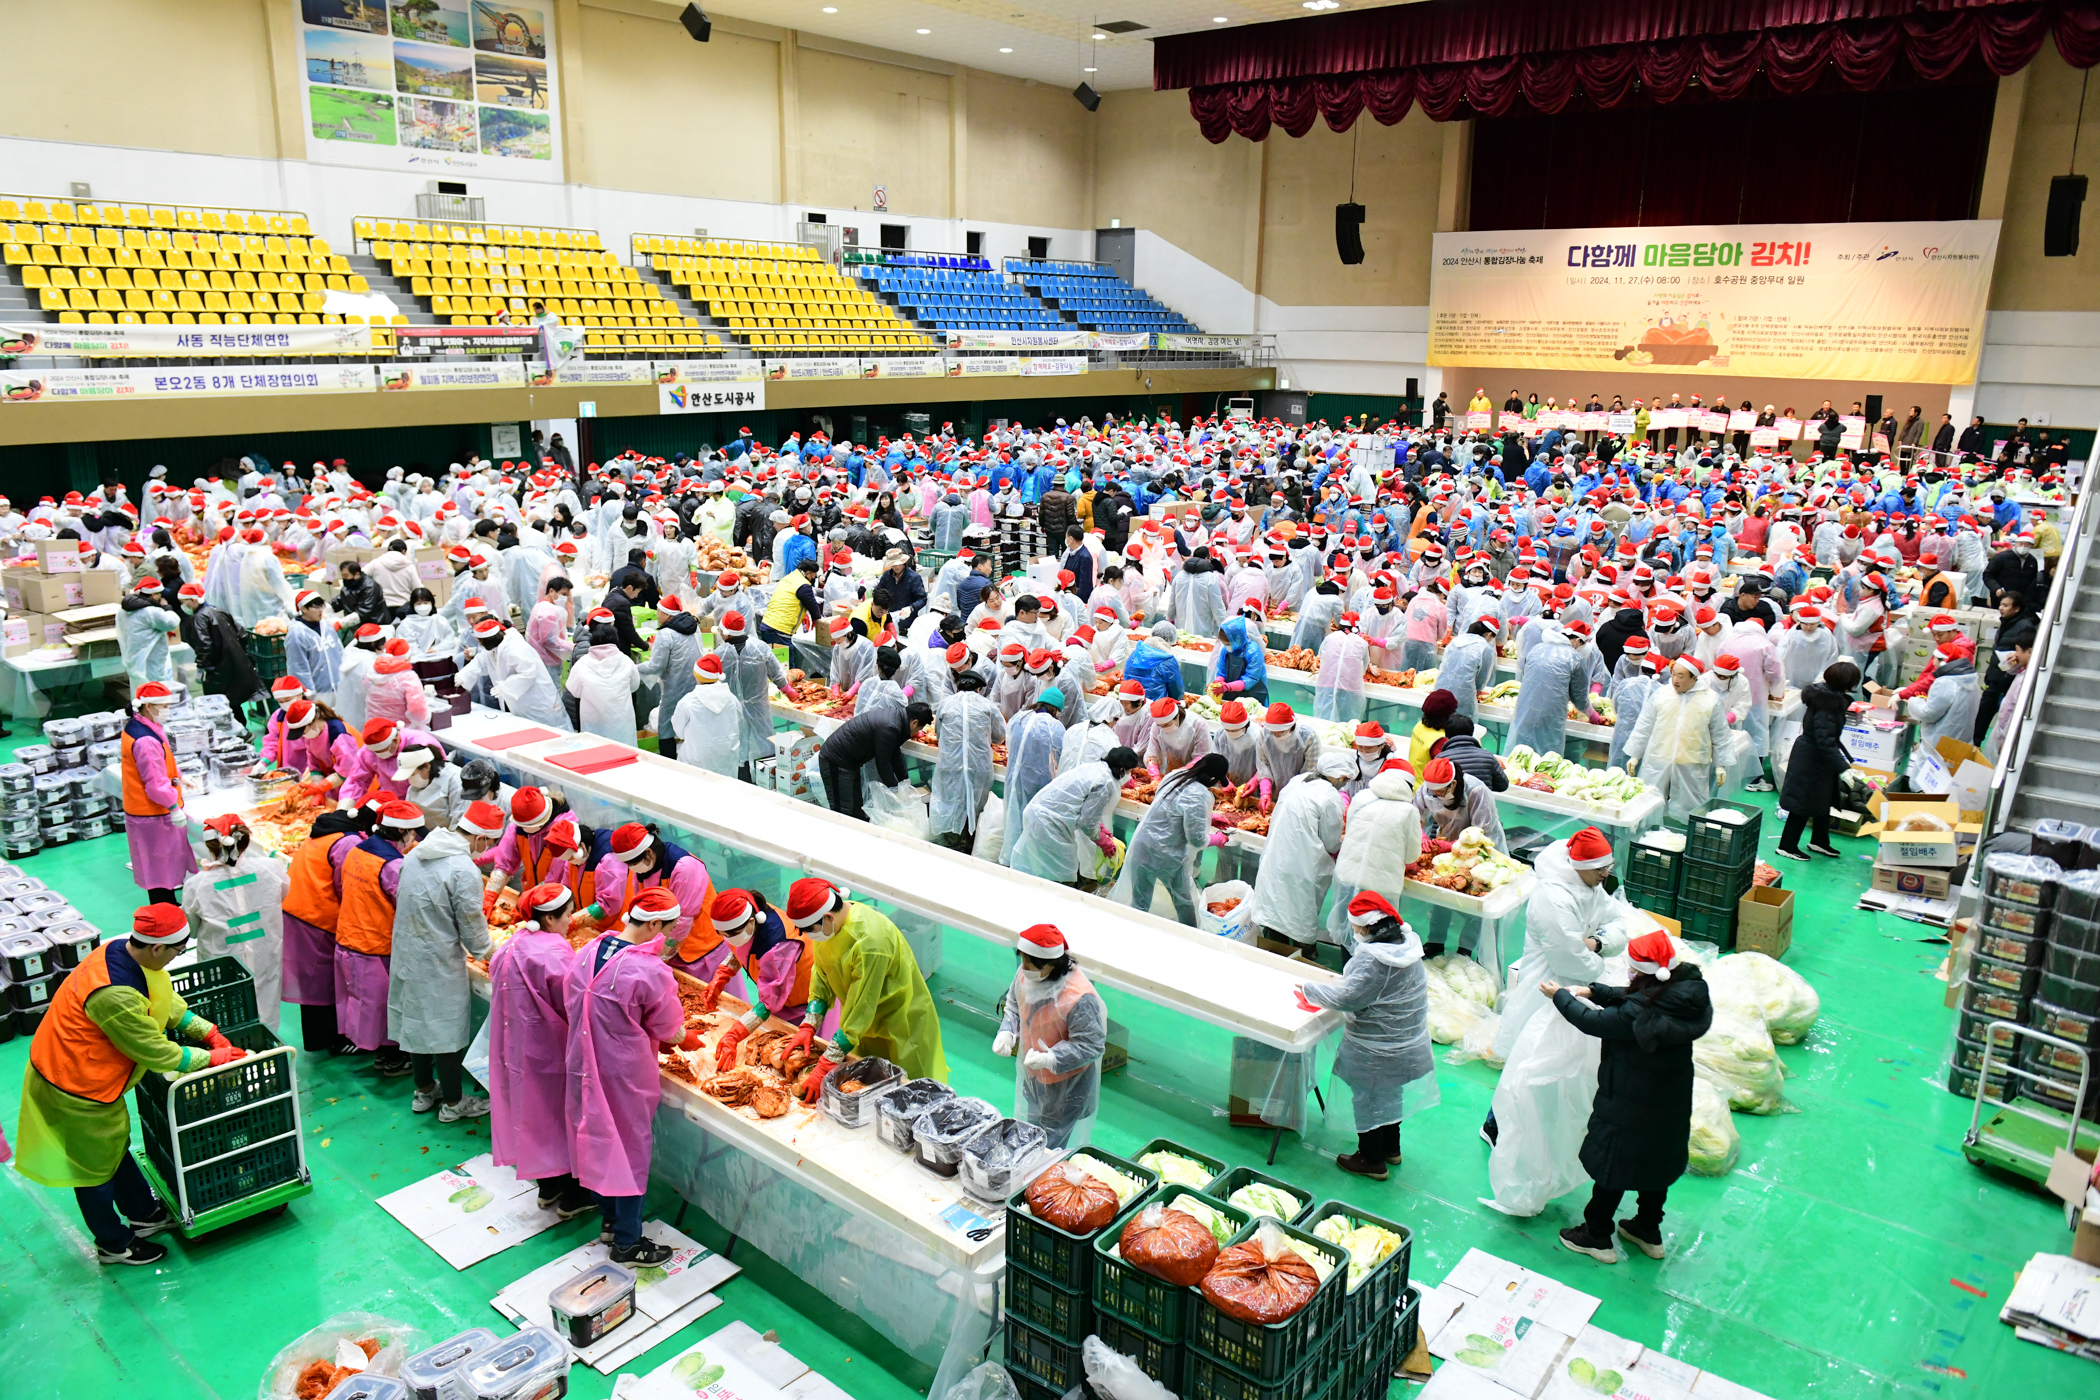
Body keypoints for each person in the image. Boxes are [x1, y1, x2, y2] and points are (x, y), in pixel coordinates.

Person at [14, 903, 247, 1266]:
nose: (176, 958)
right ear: (157, 948)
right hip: (74, 1085)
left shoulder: (121, 953)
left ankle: (143, 1213)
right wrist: (213, 1058)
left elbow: (162, 1003)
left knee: (113, 1149)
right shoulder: (113, 993)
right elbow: (157, 1053)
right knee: (93, 1171)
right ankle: (113, 1243)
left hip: (93, 1079)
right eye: (177, 951)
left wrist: (208, 1032)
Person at [1547, 930, 1713, 1264]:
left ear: (1641, 972)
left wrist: (1560, 996)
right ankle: (1647, 1230)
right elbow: (1640, 996)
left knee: (1614, 1165)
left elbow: (1591, 1021)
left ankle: (1596, 1235)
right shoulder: (1684, 993)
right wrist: (1593, 990)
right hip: (1670, 1102)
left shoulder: (1637, 1016)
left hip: (1629, 1100)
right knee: (1655, 1163)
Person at [565, 915, 696, 1266]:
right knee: (629, 1150)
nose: (669, 939)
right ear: (655, 927)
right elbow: (669, 1024)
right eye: (668, 931)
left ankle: (609, 1219)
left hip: (585, 1063)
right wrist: (683, 1038)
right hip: (624, 1074)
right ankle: (627, 1241)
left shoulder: (587, 951)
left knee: (596, 1141)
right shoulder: (650, 970)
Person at [1297, 890, 1436, 1180]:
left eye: (1355, 925)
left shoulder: (1374, 961)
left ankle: (1371, 1159)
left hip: (1377, 1050)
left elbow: (1348, 997)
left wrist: (1308, 989)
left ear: (1367, 926)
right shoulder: (1406, 947)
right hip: (1408, 1044)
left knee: (1367, 1096)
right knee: (1390, 1093)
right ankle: (1390, 1149)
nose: (1354, 931)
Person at [387, 801, 501, 1122]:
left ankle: (424, 1089)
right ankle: (453, 1102)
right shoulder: (462, 870)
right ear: (480, 838)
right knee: (444, 1029)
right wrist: (491, 954)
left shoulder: (416, 854)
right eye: (489, 843)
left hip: (409, 951)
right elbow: (471, 925)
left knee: (418, 1021)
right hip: (437, 958)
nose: (487, 849)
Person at [782, 877, 947, 1095]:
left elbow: (863, 1004)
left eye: (809, 929)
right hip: (863, 1027)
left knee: (913, 1092)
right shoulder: (831, 929)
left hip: (900, 1025)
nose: (807, 936)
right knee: (868, 1088)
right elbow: (821, 973)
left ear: (828, 917)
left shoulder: (871, 941)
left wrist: (826, 1064)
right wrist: (809, 1024)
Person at [992, 923, 1107, 1149]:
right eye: (1023, 961)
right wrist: (1007, 1030)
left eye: (1029, 963)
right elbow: (1015, 1004)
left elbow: (1091, 1045)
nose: (1023, 968)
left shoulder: (1078, 998)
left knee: (1050, 1147)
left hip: (1067, 1086)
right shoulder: (1028, 975)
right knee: (1033, 1133)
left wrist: (1052, 1058)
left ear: (1051, 965)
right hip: (1035, 1076)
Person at [336, 800, 427, 1076]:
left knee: (366, 1004)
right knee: (388, 1006)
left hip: (350, 937)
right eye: (413, 834)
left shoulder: (357, 851)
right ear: (402, 834)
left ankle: (382, 1057)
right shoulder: (392, 865)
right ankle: (395, 1060)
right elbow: (410, 906)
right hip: (377, 945)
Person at [180, 815, 287, 1033]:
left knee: (226, 1014)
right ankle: (269, 1049)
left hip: (221, 963)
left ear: (210, 847)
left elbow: (189, 929)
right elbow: (282, 893)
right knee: (266, 1007)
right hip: (265, 952)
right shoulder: (271, 869)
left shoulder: (197, 885)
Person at [1250, 747, 1356, 957]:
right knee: (1300, 909)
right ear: (1341, 777)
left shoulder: (1298, 780)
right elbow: (1331, 840)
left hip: (1277, 853)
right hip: (1303, 862)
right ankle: (1305, 951)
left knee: (1275, 903)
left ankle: (1274, 949)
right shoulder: (1330, 797)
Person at [281, 803, 370, 1054]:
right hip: (317, 918)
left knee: (310, 983)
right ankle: (335, 1039)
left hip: (298, 909)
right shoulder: (348, 843)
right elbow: (348, 884)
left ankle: (320, 1038)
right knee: (325, 983)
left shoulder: (326, 832)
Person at [699, 889, 818, 1071]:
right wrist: (720, 977)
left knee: (800, 1058)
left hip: (806, 1000)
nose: (728, 938)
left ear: (752, 922)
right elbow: (739, 949)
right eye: (723, 934)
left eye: (732, 933)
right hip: (781, 997)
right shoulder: (743, 920)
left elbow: (768, 1001)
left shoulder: (778, 945)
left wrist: (734, 1036)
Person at [1118, 751, 1232, 924]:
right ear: (1213, 778)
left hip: (1144, 845)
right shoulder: (1199, 795)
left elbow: (1168, 808)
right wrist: (1218, 838)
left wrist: (1208, 817)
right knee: (1185, 905)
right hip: (1170, 856)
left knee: (1140, 903)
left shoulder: (1175, 776)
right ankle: (1189, 939)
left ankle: (1135, 934)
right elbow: (1197, 840)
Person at [591, 822, 720, 975]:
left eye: (632, 863)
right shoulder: (642, 869)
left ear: (649, 853)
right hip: (667, 942)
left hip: (701, 946)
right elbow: (641, 908)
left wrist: (659, 956)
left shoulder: (685, 868)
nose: (631, 868)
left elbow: (682, 921)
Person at [1010, 746, 1141, 887]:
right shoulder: (1105, 782)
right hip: (1050, 822)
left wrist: (1100, 828)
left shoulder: (1096, 768)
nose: (1129, 775)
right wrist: (1102, 840)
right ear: (1122, 770)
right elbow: (1086, 822)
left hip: (1040, 813)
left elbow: (1082, 806)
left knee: (1044, 869)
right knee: (1062, 872)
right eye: (1129, 771)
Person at [1326, 760, 1421, 946]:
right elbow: (1411, 856)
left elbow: (1351, 826)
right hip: (1380, 889)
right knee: (1376, 942)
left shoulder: (1361, 797)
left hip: (1347, 876)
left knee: (1349, 932)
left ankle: (1347, 970)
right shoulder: (1408, 811)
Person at [1623, 657, 1728, 823]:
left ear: (1694, 678)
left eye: (1681, 676)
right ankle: (1647, 828)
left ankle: (1687, 832)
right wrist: (1635, 755)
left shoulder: (1710, 699)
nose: (1675, 680)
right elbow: (1644, 725)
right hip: (1659, 757)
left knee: (1692, 803)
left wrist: (1721, 765)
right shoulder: (1662, 695)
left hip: (1691, 760)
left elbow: (1720, 733)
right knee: (1648, 799)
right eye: (1673, 675)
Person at [120, 681, 195, 904]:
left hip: (143, 811)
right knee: (160, 871)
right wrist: (173, 806)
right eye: (163, 706)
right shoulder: (144, 740)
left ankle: (168, 907)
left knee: (159, 869)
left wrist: (179, 777)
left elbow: (162, 763)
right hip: (152, 814)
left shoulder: (141, 727)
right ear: (148, 706)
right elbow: (154, 784)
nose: (166, 710)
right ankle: (167, 913)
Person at [1776, 660, 1858, 860]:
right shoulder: (1828, 706)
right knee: (1802, 803)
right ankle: (1787, 846)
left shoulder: (1826, 697)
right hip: (1811, 759)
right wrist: (1843, 768)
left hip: (1818, 758)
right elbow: (1825, 741)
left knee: (1823, 799)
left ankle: (1819, 841)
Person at [819, 699, 935, 821]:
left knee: (856, 806)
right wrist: (895, 789)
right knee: (843, 808)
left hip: (850, 762)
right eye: (918, 729)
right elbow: (883, 763)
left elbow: (894, 754)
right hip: (836, 760)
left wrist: (904, 781)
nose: (915, 733)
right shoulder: (890, 726)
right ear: (914, 723)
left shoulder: (897, 720)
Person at [928, 673, 1007, 851]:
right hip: (977, 764)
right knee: (976, 803)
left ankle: (949, 841)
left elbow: (939, 733)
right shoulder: (988, 706)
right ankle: (971, 843)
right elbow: (999, 736)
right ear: (979, 689)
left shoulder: (945, 704)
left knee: (949, 800)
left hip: (950, 763)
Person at [1902, 639, 1981, 788]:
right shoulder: (1973, 683)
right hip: (1960, 740)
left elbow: (1929, 713)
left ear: (1944, 661)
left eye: (1935, 660)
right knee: (1949, 780)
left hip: (1938, 741)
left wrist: (1914, 701)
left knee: (1926, 780)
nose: (1933, 663)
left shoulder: (1945, 683)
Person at [1510, 621, 1592, 758]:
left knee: (1520, 753)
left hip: (1525, 708)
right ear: (1578, 640)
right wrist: (1590, 713)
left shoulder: (1536, 649)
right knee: (1546, 757)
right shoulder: (1574, 658)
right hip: (1551, 714)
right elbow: (1579, 695)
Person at [568, 618, 643, 746]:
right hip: (621, 719)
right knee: (624, 753)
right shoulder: (625, 661)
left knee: (596, 753)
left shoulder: (583, 664)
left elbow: (574, 690)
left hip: (593, 721)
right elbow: (634, 685)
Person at [672, 653, 747, 777]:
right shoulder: (732, 699)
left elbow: (678, 730)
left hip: (697, 758)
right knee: (726, 790)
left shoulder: (689, 701)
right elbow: (739, 723)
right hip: (726, 757)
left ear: (697, 675)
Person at [1410, 689, 1457, 772]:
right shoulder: (1440, 741)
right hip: (1426, 783)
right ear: (1447, 717)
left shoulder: (1419, 725)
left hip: (1413, 779)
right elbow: (1447, 770)